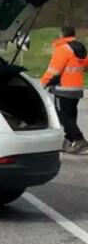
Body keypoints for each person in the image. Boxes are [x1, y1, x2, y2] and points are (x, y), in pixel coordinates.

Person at [41, 25, 88, 154]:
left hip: (63, 89)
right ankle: (69, 140)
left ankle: (79, 139)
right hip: (76, 89)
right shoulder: (81, 49)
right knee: (71, 116)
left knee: (62, 116)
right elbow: (85, 66)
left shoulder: (63, 49)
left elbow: (54, 70)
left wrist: (41, 84)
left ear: (62, 34)